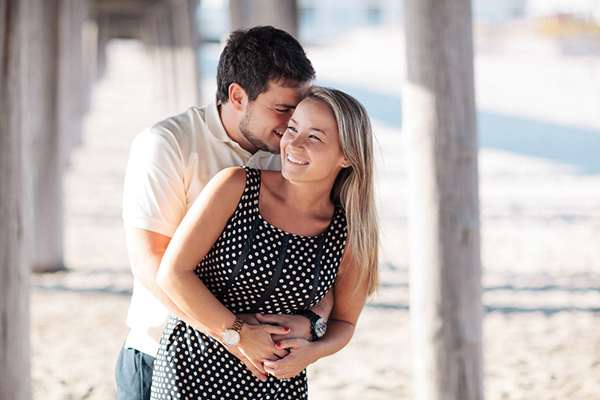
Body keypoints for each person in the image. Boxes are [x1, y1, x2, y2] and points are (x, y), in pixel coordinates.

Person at [116, 26, 332, 400]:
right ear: (237, 96)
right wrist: (233, 335)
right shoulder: (168, 144)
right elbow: (150, 262)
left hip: (258, 371)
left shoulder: (292, 156)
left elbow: (324, 257)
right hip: (162, 357)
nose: (290, 127)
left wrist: (311, 323)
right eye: (281, 110)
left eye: (297, 111)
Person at [150, 86, 379, 399]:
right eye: (293, 129)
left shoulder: (350, 233)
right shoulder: (235, 186)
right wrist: (238, 334)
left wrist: (314, 351)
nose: (294, 144)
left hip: (278, 384)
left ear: (347, 157)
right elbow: (172, 273)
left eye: (314, 137)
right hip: (192, 371)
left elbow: (344, 322)